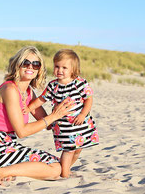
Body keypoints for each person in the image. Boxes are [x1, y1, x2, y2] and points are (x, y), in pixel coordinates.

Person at [0, 46, 73, 185]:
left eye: (35, 64)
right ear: (17, 65)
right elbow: (22, 131)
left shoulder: (28, 92)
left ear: (39, 69)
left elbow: (48, 123)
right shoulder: (10, 89)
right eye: (25, 63)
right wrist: (53, 116)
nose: (30, 67)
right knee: (54, 170)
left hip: (8, 143)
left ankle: (4, 170)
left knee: (57, 165)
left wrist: (67, 115)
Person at [26, 49, 99, 178]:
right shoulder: (53, 86)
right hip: (64, 126)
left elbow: (89, 99)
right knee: (68, 150)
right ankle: (65, 175)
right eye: (57, 66)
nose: (59, 70)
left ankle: (65, 169)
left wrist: (83, 114)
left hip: (80, 124)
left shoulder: (79, 83)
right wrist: (28, 108)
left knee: (77, 150)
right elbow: (41, 99)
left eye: (64, 67)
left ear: (73, 69)